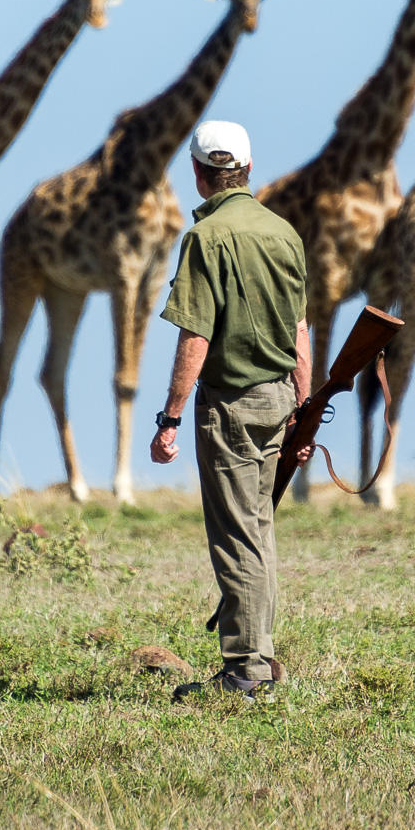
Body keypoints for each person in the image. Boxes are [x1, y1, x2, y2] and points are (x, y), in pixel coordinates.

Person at [151, 120, 310, 703]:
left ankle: (244, 670)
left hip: (231, 404)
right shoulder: (283, 233)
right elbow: (299, 329)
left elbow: (196, 332)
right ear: (247, 168)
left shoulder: (204, 238)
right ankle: (261, 655)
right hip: (279, 397)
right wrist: (303, 405)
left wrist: (170, 416)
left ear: (197, 174)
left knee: (236, 536)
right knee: (259, 529)